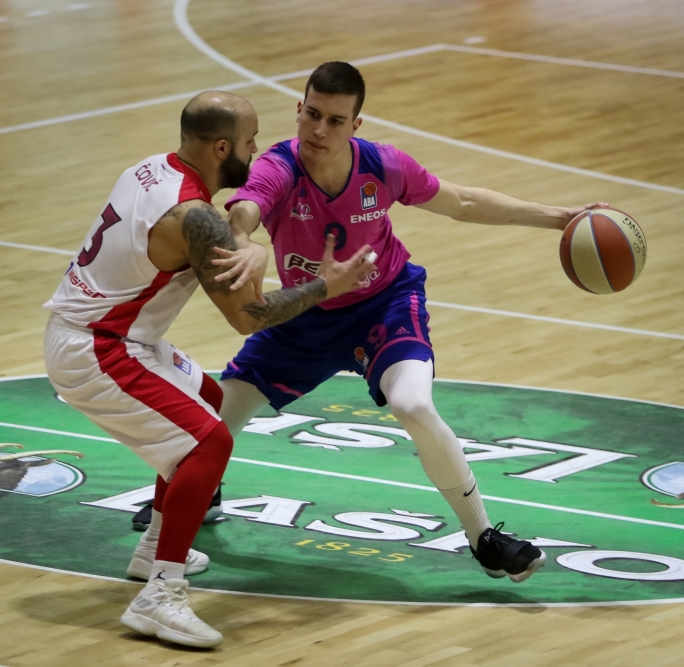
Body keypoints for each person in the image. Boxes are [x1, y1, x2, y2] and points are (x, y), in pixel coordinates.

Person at [204, 61, 610, 584]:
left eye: (335, 120)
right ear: (299, 109)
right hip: (306, 311)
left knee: (413, 403)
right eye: (312, 114)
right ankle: (200, 490)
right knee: (211, 421)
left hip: (384, 304)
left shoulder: (383, 166)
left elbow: (463, 202)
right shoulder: (279, 166)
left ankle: (483, 537)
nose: (319, 130)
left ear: (356, 125)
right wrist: (242, 242)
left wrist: (561, 218)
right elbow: (244, 210)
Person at [43, 90, 375, 649]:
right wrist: (326, 286)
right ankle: (160, 596)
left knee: (210, 401)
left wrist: (250, 247)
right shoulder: (194, 218)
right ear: (223, 148)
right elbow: (249, 318)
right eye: (249, 142)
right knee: (208, 443)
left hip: (114, 334)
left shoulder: (152, 168)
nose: (255, 151)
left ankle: (154, 548)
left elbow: (221, 238)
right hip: (99, 347)